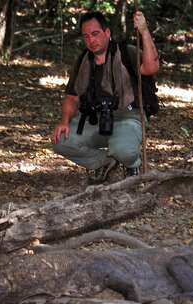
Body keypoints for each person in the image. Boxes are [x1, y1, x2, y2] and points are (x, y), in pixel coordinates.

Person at [51, 10, 159, 184]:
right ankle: (104, 162)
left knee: (124, 150)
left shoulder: (126, 53)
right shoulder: (84, 60)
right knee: (61, 141)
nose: (91, 40)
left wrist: (144, 31)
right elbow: (72, 96)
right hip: (96, 119)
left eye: (95, 34)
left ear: (107, 33)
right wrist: (64, 121)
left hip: (128, 117)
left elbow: (151, 67)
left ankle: (132, 164)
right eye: (86, 36)